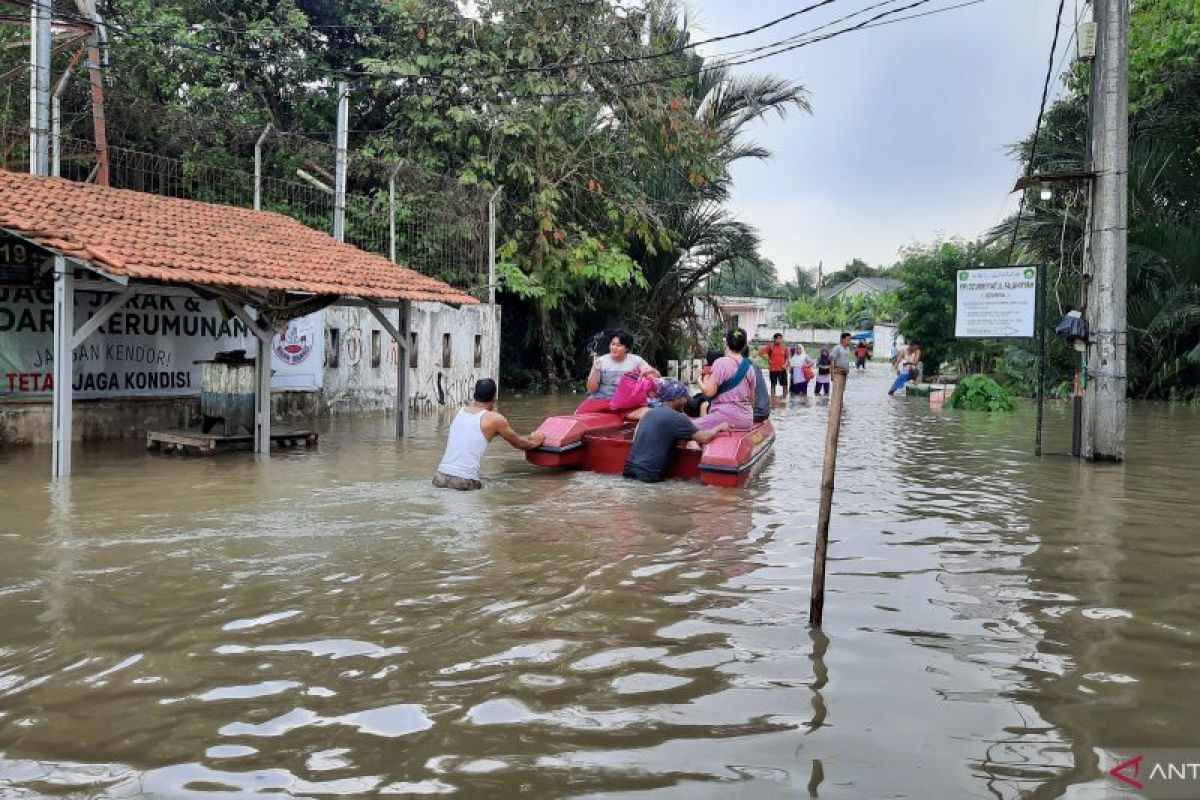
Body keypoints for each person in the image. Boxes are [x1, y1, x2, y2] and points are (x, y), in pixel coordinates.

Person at [433, 379, 545, 490]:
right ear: (494, 399)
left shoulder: (456, 412)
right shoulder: (495, 419)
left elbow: (470, 435)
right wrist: (536, 441)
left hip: (439, 477)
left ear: (474, 395)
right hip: (464, 480)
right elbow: (519, 443)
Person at [622, 380, 732, 483]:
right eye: (684, 397)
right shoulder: (677, 418)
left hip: (628, 470)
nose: (686, 401)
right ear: (676, 398)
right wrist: (719, 427)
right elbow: (704, 438)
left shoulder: (649, 414)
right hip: (648, 475)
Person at [577, 330, 660, 414]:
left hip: (626, 402)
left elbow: (658, 379)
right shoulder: (601, 361)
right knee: (578, 413)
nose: (614, 348)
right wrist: (596, 370)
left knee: (649, 413)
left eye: (619, 345)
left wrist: (653, 370)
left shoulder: (636, 361)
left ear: (627, 348)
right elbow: (591, 390)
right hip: (602, 399)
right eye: (613, 344)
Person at [696, 328, 757, 431]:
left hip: (722, 418)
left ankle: (694, 444)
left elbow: (709, 393)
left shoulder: (721, 363)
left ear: (727, 343)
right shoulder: (749, 367)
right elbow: (752, 400)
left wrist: (699, 380)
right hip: (746, 420)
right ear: (744, 346)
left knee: (686, 427)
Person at [760, 332, 790, 399]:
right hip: (773, 369)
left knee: (785, 385)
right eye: (778, 339)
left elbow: (787, 358)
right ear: (774, 339)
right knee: (773, 385)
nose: (780, 340)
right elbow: (760, 352)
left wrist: (785, 365)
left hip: (782, 369)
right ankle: (773, 398)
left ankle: (784, 398)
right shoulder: (770, 347)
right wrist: (767, 359)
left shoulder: (784, 347)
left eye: (781, 339)